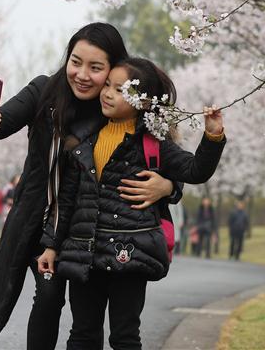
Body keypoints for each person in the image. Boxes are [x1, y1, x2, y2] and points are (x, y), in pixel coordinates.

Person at [0, 23, 183, 349]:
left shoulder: (116, 108)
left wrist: (169, 186)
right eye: (76, 61)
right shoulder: (43, 92)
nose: (82, 74)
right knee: (50, 295)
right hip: (40, 221)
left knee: (88, 322)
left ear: (114, 71)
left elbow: (163, 158)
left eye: (96, 68)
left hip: (88, 227)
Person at [37, 56, 226, 349]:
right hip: (83, 251)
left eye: (120, 89)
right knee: (82, 334)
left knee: (125, 336)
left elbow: (194, 171)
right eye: (108, 86)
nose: (108, 93)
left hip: (130, 254)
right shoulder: (85, 138)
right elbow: (67, 199)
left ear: (144, 102)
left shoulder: (153, 144)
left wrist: (212, 136)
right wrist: (51, 244)